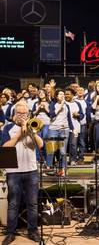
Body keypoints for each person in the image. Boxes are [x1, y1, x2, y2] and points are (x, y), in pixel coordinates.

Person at [1, 101, 43, 244]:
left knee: (33, 203)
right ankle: (11, 232)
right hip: (13, 171)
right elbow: (6, 147)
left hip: (31, 170)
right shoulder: (8, 128)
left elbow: (40, 145)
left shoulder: (34, 126)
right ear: (14, 115)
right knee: (13, 203)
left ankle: (33, 230)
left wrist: (31, 132)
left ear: (28, 114)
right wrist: (19, 134)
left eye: (24, 113)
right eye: (19, 113)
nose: (22, 116)